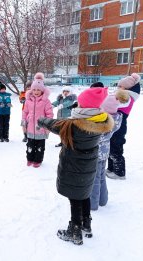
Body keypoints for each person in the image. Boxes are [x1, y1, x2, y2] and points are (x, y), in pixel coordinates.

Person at [37, 87, 113, 245]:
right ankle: (86, 224)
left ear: (83, 107)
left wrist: (41, 120)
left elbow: (54, 124)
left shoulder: (73, 125)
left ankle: (74, 231)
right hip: (88, 166)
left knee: (75, 199)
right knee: (84, 194)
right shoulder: (99, 120)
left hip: (73, 167)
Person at [90, 91, 128, 210]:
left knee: (94, 179)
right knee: (101, 177)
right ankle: (103, 200)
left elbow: (95, 136)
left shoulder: (103, 122)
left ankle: (93, 204)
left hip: (96, 153)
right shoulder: (115, 119)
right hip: (104, 153)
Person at [107, 73, 141, 180]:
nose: (118, 88)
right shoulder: (123, 95)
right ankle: (111, 168)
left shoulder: (128, 97)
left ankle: (119, 172)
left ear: (127, 87)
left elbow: (116, 105)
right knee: (109, 145)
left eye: (120, 86)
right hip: (113, 123)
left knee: (116, 146)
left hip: (120, 124)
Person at [21, 72, 53, 168]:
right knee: (30, 146)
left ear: (42, 90)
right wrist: (23, 122)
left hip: (41, 128)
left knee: (40, 147)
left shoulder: (46, 101)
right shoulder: (28, 100)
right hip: (30, 127)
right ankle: (30, 158)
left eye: (38, 89)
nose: (36, 91)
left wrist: (47, 124)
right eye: (34, 89)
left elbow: (49, 114)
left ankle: (38, 160)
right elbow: (25, 112)